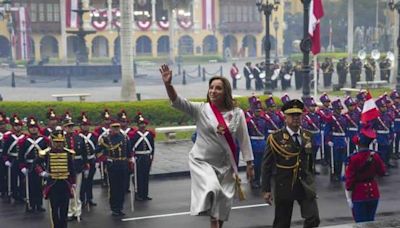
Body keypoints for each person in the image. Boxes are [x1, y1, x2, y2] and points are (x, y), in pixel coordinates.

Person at [160, 64, 254, 228]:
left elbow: (243, 139)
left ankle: (217, 222)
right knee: (212, 189)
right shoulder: (201, 109)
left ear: (226, 92)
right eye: (211, 88)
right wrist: (168, 84)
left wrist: (249, 163)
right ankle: (213, 220)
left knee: (224, 206)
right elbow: (178, 101)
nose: (213, 91)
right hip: (202, 162)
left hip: (226, 166)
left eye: (218, 88)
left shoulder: (237, 113)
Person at [262, 99, 320, 228]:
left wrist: (311, 180)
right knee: (282, 223)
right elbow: (266, 165)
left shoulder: (307, 135)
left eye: (298, 115)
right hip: (285, 184)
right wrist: (266, 189)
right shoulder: (276, 138)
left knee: (313, 218)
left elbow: (310, 161)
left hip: (305, 184)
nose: (296, 118)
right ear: (285, 117)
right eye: (292, 115)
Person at [34, 126, 76, 228]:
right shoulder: (47, 153)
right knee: (54, 210)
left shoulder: (68, 153)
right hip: (52, 185)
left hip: (65, 185)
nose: (59, 144)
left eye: (61, 142)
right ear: (52, 141)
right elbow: (36, 164)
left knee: (64, 210)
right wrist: (42, 172)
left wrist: (73, 183)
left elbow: (72, 169)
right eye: (56, 142)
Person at [345, 125, 386, 223]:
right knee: (370, 221)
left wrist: (348, 197)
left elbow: (350, 180)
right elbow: (382, 172)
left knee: (360, 223)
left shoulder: (353, 158)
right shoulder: (375, 156)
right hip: (373, 192)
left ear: (358, 144)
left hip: (359, 194)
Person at [97, 120, 132, 216]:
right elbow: (97, 151)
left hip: (123, 164)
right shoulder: (106, 139)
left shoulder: (124, 137)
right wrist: (105, 159)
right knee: (114, 188)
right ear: (110, 128)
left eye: (118, 127)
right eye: (114, 127)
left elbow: (128, 151)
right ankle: (114, 207)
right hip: (113, 165)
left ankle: (120, 207)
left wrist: (130, 161)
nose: (116, 129)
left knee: (122, 187)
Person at [19, 117, 50, 212]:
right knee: (30, 186)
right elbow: (21, 155)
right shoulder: (24, 141)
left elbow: (47, 155)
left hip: (40, 166)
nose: (34, 129)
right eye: (31, 127)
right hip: (29, 166)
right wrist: (22, 167)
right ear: (28, 129)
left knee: (40, 186)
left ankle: (39, 204)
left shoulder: (44, 140)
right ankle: (31, 204)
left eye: (35, 127)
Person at [130, 112, 155, 201]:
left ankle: (145, 194)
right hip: (138, 157)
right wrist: (132, 157)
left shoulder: (149, 134)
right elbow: (131, 147)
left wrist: (152, 156)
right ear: (138, 125)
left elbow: (152, 146)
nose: (142, 125)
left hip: (147, 157)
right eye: (141, 124)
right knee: (138, 177)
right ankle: (138, 194)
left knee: (145, 176)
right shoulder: (134, 135)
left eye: (144, 123)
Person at [76, 112, 98, 208]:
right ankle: (81, 199)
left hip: (92, 161)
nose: (85, 127)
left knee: (90, 181)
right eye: (83, 125)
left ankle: (89, 198)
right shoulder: (77, 137)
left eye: (87, 125)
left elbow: (97, 148)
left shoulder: (94, 136)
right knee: (82, 182)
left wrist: (96, 159)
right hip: (82, 162)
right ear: (80, 126)